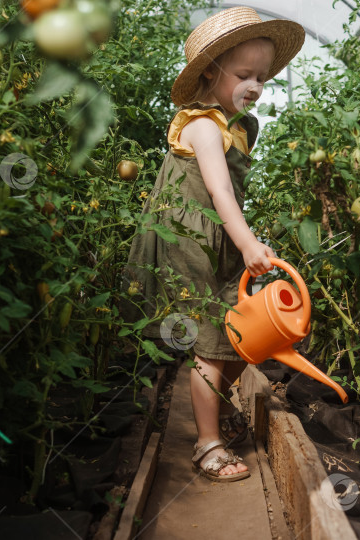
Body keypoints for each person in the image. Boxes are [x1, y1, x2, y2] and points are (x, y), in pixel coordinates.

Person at [125, 7, 305, 482]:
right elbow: (220, 192)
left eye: (263, 77)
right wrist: (248, 243)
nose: (257, 86)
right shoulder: (203, 125)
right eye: (245, 74)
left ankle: (218, 417)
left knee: (234, 339)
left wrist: (240, 240)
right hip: (194, 244)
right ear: (211, 69)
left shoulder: (237, 126)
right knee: (211, 340)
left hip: (219, 241)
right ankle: (207, 444)